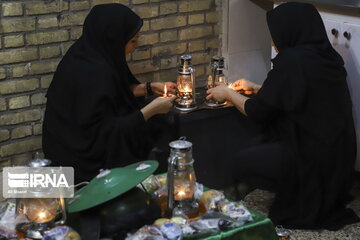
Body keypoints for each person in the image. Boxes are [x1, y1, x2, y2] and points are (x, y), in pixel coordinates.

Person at [206, 2, 359, 230]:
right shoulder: (326, 56)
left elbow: (257, 112)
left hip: (310, 162)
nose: (274, 43)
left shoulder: (292, 61)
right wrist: (258, 88)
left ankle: (238, 203)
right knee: (266, 139)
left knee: (241, 160)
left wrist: (226, 93)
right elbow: (300, 95)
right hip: (338, 161)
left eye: (275, 35)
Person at [43, 4, 176, 184]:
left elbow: (113, 92)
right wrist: (152, 109)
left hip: (76, 142)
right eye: (132, 41)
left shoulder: (88, 54)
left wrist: (150, 88)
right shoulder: (95, 71)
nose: (135, 46)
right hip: (78, 160)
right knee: (156, 124)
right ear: (114, 39)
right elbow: (104, 134)